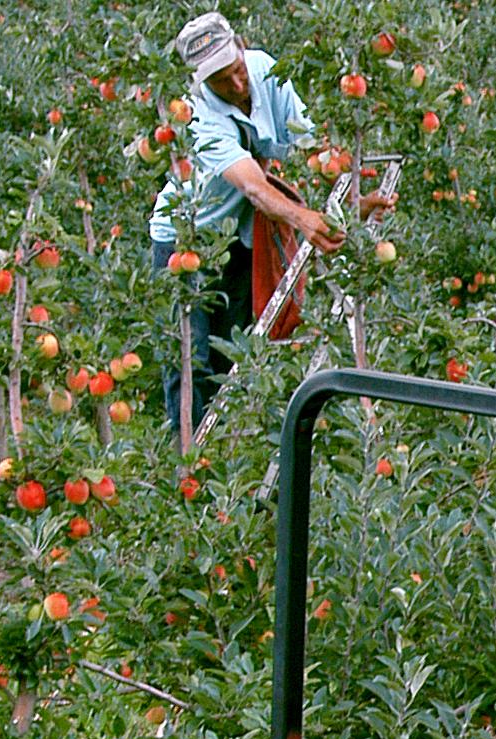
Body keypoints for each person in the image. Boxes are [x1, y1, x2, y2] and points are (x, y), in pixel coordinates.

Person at [147, 12, 349, 440]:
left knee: (230, 356)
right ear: (201, 82)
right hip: (184, 242)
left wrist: (350, 197)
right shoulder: (197, 115)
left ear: (242, 46)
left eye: (236, 70)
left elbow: (309, 146)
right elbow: (255, 188)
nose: (236, 86)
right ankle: (183, 465)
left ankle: (221, 456)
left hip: (234, 241)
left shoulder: (266, 70)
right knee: (190, 361)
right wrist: (304, 219)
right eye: (221, 80)